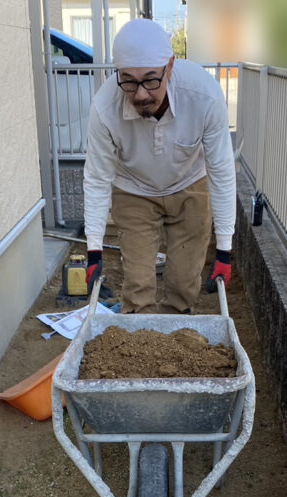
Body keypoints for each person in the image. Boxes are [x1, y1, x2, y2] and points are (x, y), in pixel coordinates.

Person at [82, 18, 236, 314]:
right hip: (133, 190)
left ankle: (176, 333)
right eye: (128, 80)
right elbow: (98, 178)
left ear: (171, 66)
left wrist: (225, 249)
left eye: (151, 80)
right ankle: (139, 345)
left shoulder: (204, 96)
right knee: (138, 287)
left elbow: (222, 172)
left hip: (191, 184)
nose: (140, 94)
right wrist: (93, 249)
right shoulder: (104, 107)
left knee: (183, 284)